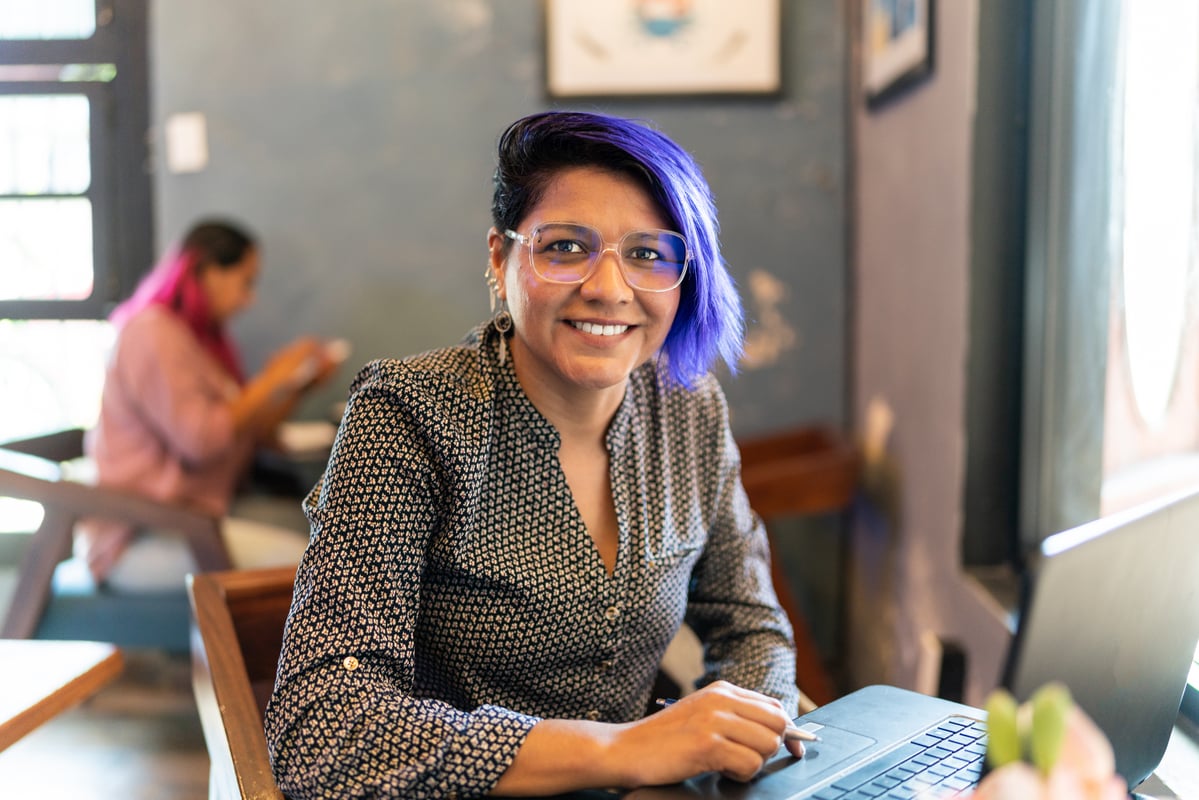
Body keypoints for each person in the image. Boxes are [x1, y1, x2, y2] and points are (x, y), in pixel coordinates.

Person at [265, 111, 803, 798]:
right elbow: (320, 730)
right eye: (566, 247)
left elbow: (752, 624)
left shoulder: (688, 410)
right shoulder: (409, 415)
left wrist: (736, 740)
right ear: (500, 258)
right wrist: (624, 751)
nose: (609, 289)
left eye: (647, 254)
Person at [80, 219, 340, 590]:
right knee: (313, 566)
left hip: (189, 521)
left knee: (316, 532)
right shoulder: (152, 333)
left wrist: (297, 387)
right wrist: (271, 380)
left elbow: (251, 435)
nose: (249, 299)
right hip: (141, 535)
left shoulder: (194, 338)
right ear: (206, 271)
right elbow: (200, 441)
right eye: (246, 282)